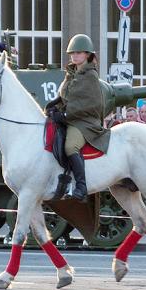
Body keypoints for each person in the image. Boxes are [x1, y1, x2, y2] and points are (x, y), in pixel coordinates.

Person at [43, 34, 109, 201]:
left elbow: (90, 104)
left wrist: (65, 115)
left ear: (87, 54)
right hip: (70, 118)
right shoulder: (71, 73)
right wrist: (53, 106)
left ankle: (81, 186)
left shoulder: (90, 76)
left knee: (71, 147)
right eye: (72, 53)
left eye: (79, 52)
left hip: (84, 122)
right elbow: (64, 96)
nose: (74, 56)